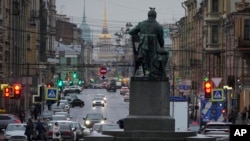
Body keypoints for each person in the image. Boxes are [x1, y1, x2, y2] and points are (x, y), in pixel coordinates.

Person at [129, 7, 168, 77]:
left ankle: (152, 70)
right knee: (166, 53)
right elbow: (161, 42)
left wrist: (141, 37)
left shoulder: (141, 24)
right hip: (155, 51)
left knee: (152, 52)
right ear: (155, 16)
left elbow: (131, 32)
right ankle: (160, 71)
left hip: (142, 51)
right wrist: (160, 46)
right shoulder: (158, 26)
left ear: (148, 15)